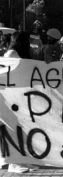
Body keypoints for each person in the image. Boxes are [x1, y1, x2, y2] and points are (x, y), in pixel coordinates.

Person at [3, 31, 39, 173]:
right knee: (13, 130)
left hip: (19, 97)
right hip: (11, 98)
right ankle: (14, 163)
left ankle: (23, 160)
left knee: (22, 130)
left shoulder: (17, 53)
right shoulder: (11, 54)